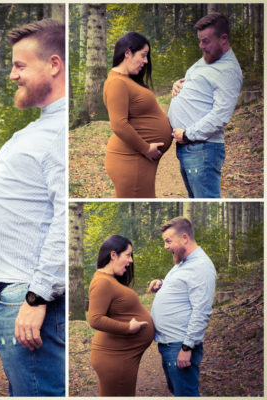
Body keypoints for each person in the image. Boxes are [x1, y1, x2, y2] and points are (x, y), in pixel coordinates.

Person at [0, 19, 65, 396]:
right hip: (12, 291)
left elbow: (64, 216)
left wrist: (37, 296)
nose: (12, 76)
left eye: (19, 65)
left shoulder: (58, 133)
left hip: (26, 293)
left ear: (53, 65)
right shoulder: (41, 128)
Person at [168, 13, 243, 198]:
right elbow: (195, 83)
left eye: (206, 41)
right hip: (193, 149)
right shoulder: (207, 59)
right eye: (200, 41)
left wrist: (187, 134)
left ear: (223, 39)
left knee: (205, 200)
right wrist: (178, 85)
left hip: (202, 149)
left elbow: (221, 115)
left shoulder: (229, 71)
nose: (201, 46)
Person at [148, 217, 216, 396]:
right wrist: (161, 283)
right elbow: (183, 286)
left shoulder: (201, 266)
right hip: (170, 344)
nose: (166, 246)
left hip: (180, 345)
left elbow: (202, 311)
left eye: (168, 241)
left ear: (184, 238)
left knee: (186, 394)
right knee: (178, 392)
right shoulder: (183, 262)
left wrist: (187, 348)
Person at [103, 32, 173, 198]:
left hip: (136, 160)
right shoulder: (117, 83)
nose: (146, 61)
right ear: (128, 53)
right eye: (143, 55)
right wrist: (146, 148)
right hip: (131, 159)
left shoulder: (127, 80)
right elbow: (119, 124)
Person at [88, 235, 154, 396]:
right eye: (128, 255)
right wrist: (128, 328)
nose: (131, 260)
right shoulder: (102, 282)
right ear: (113, 255)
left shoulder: (110, 280)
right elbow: (95, 319)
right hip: (115, 358)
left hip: (120, 356)